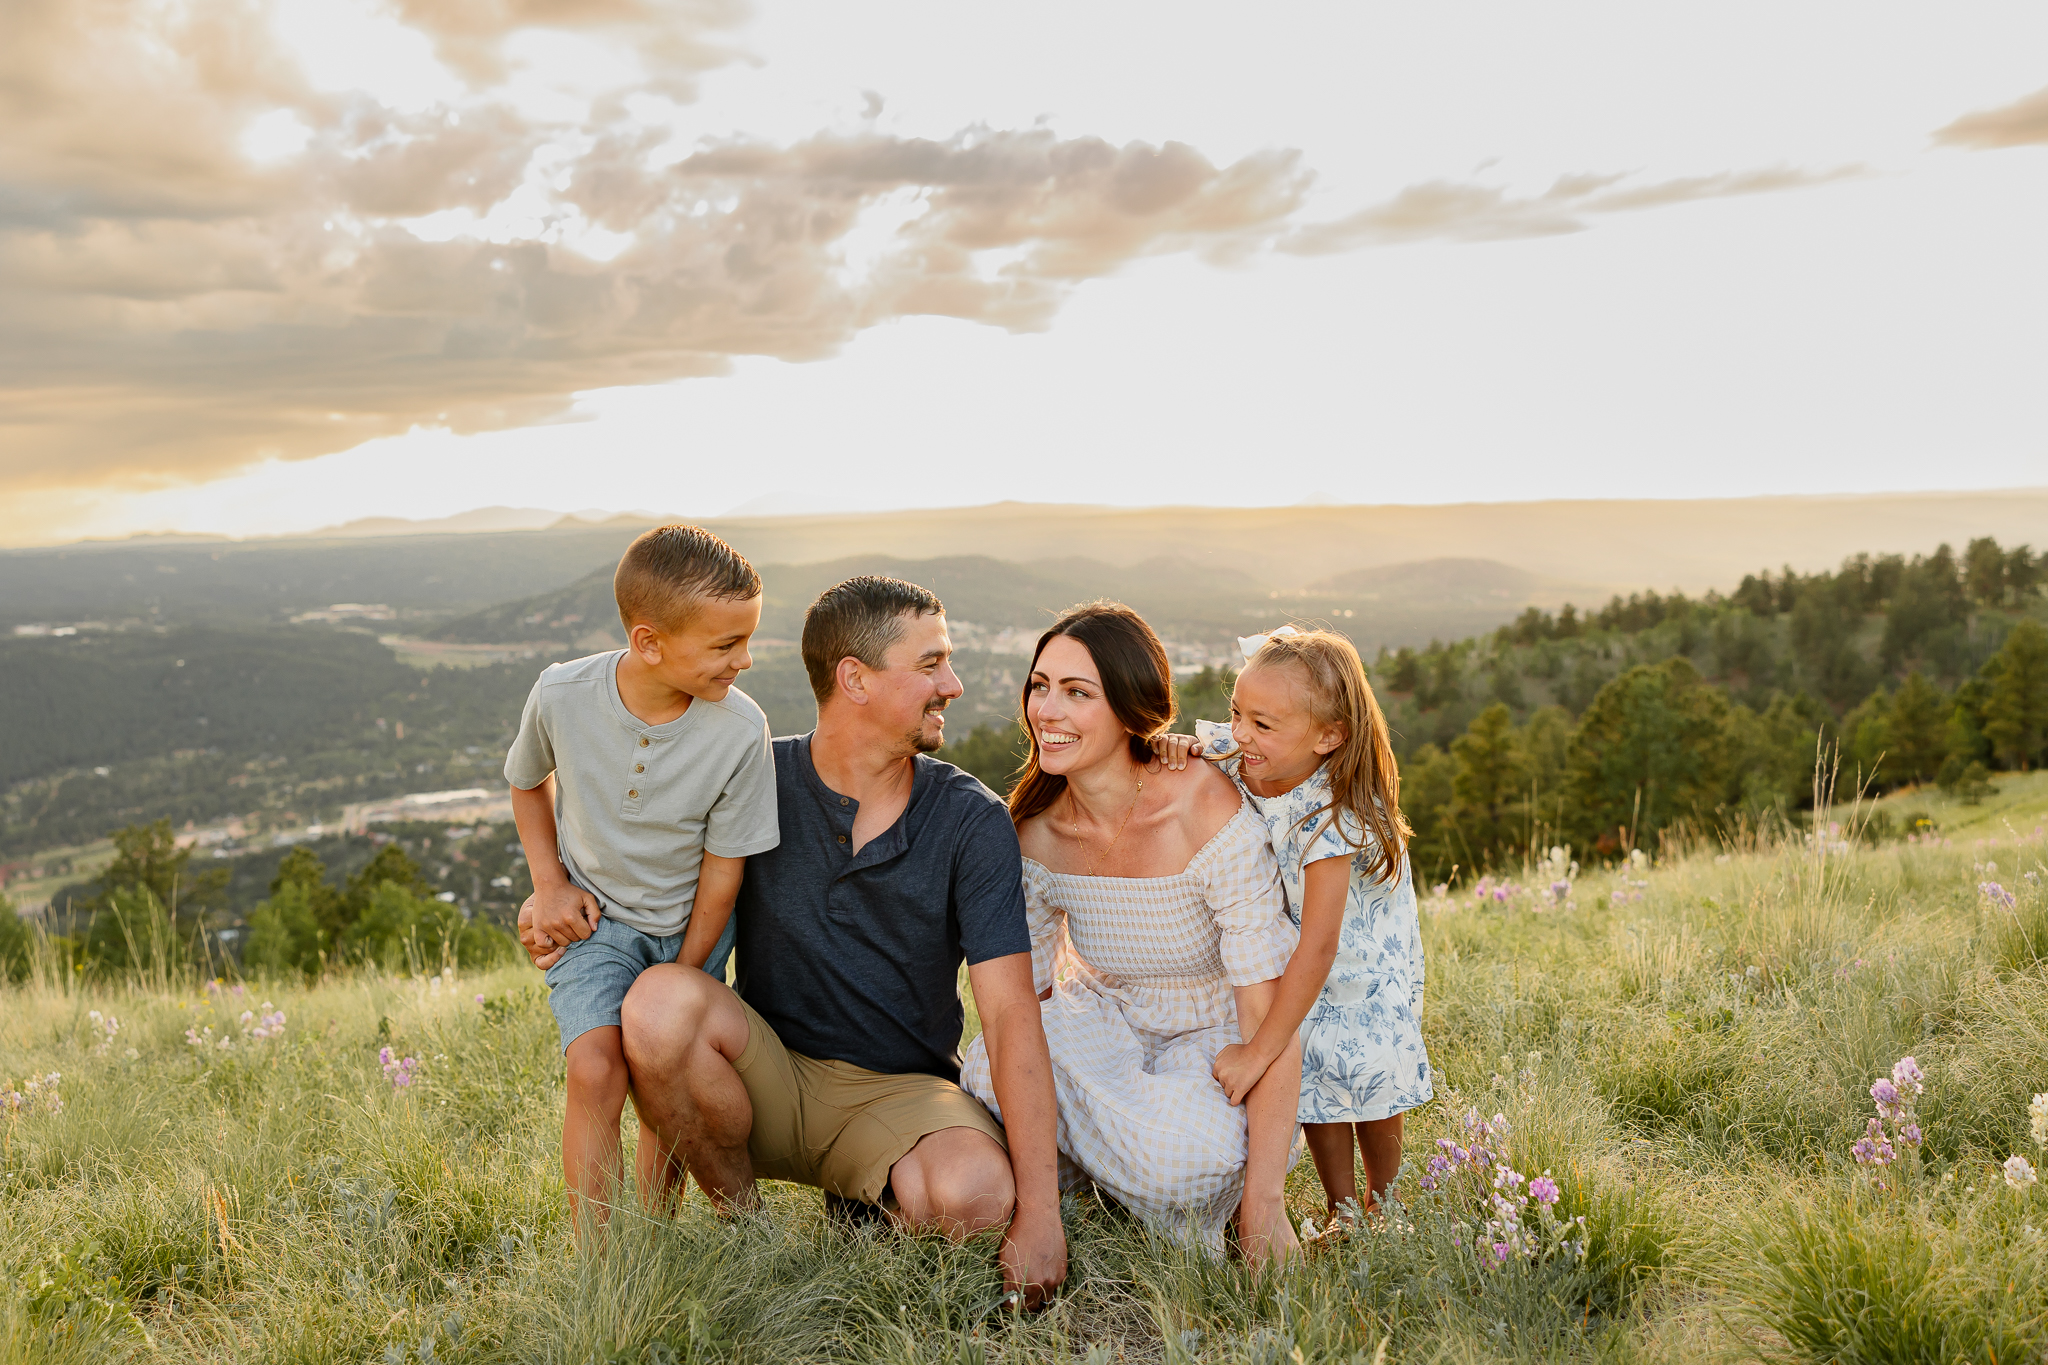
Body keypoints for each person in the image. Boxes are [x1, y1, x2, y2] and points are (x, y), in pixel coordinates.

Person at [522, 576, 1067, 1306]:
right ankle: (750, 1230)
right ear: (856, 679)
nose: (954, 684)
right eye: (932, 663)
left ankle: (869, 1207)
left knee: (971, 1195)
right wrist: (549, 897)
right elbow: (637, 874)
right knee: (657, 1003)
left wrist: (1042, 1216)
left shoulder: (970, 820)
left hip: (901, 1094)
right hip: (761, 1075)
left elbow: (1008, 1018)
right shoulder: (752, 775)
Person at [959, 602, 1303, 1262]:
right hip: (1107, 1027)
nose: (1047, 711)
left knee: (1191, 1158)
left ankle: (1108, 1171)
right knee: (987, 1064)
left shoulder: (1201, 803)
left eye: (1077, 692)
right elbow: (1026, 1004)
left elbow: (1269, 1021)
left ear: (1127, 708)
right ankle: (1119, 1174)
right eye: (1041, 685)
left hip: (1219, 1040)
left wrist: (1266, 1206)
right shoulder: (1033, 833)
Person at [505, 524, 781, 1237]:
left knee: (662, 1079)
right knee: (595, 1069)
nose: (744, 660)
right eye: (725, 645)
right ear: (650, 641)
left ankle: (652, 1240)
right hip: (596, 924)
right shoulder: (562, 694)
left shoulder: (740, 731)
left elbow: (725, 870)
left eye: (746, 639)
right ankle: (600, 1261)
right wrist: (549, 884)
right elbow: (527, 782)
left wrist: (683, 975)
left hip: (691, 930)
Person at [1158, 625, 1433, 1222]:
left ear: (1329, 737)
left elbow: (1321, 945)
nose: (1240, 734)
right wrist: (1175, 748)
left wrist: (1260, 1049)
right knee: (1314, 1086)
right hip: (1300, 963)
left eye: (1263, 724)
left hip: (1357, 970)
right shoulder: (1246, 757)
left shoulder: (1333, 817)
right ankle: (1341, 1210)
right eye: (1237, 713)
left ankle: (1382, 1203)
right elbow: (1193, 756)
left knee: (1369, 1082)